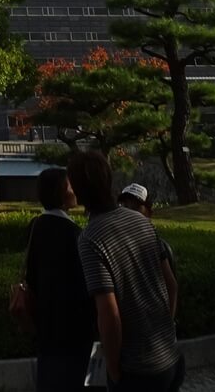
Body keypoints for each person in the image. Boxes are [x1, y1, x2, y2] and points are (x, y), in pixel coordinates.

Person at [67, 150, 182, 392]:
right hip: (170, 358)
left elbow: (109, 314)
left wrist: (113, 369)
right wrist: (165, 332)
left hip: (136, 369)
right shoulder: (141, 221)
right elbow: (171, 284)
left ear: (77, 189)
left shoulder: (90, 239)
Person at [22, 166, 97, 391]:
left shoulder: (35, 226)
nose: (74, 191)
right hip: (73, 329)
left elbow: (32, 274)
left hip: (45, 323)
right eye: (70, 186)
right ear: (61, 193)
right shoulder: (73, 233)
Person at [119, 183, 176, 276]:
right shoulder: (115, 246)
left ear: (149, 212)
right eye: (125, 206)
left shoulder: (159, 247)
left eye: (135, 207)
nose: (129, 213)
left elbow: (171, 285)